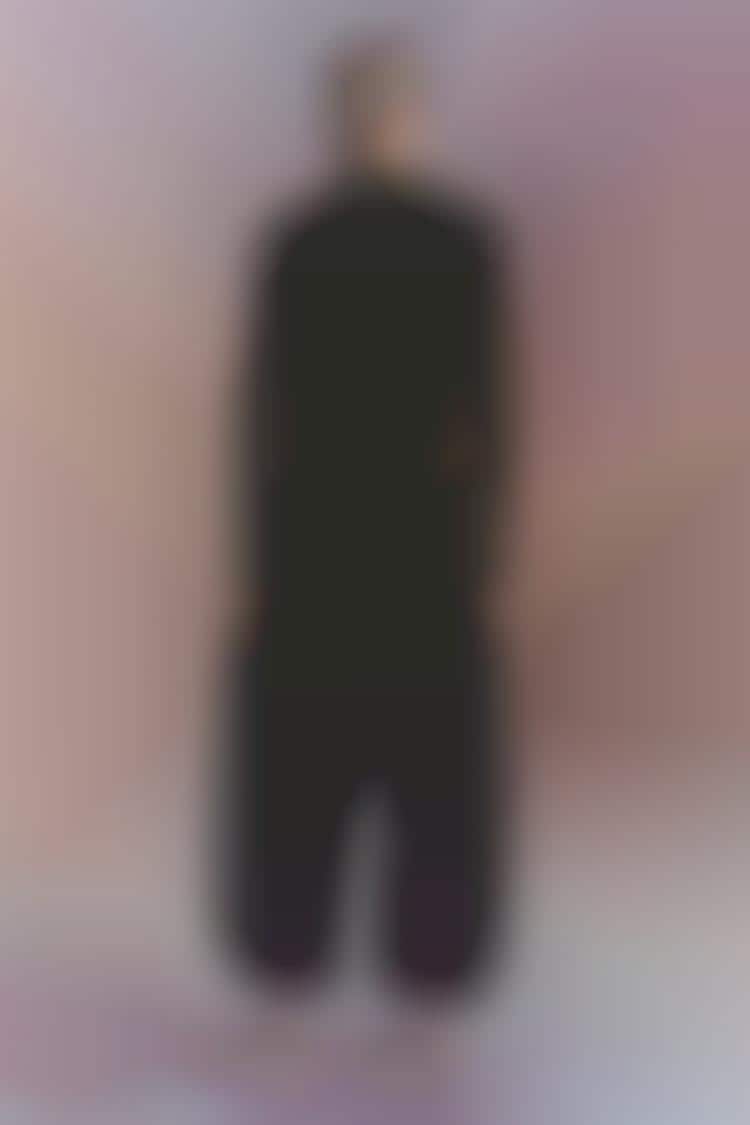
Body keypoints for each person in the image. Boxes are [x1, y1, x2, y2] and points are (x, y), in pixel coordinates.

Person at [218, 34, 518, 1052]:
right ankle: (340, 968)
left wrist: (483, 549)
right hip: (371, 544)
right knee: (367, 762)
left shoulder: (350, 246)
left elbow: (488, 413)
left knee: (365, 765)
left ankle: (367, 972)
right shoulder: (362, 246)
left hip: (368, 543)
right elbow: (269, 415)